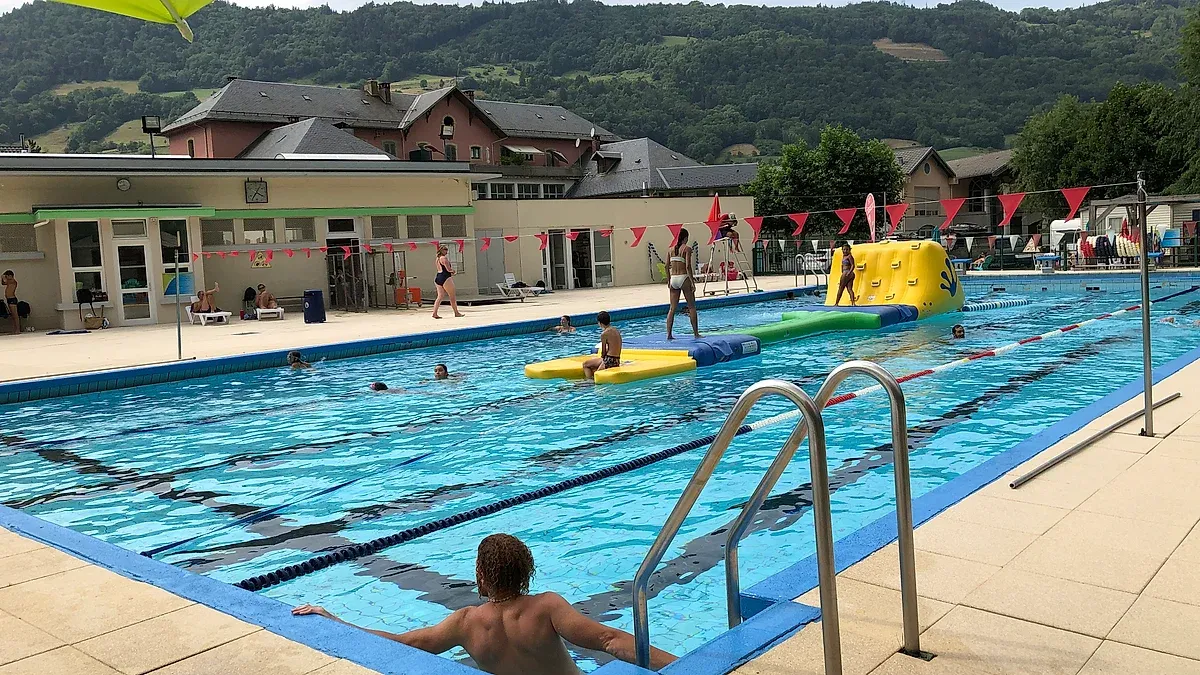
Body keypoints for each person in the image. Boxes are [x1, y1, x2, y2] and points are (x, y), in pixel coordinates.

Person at [292, 534, 676, 675]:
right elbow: (610, 640)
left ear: (480, 576)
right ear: (527, 571)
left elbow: (405, 643)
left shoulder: (464, 622)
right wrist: (683, 666)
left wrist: (336, 620)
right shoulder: (546, 607)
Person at [665, 229, 701, 341]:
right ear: (685, 238)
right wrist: (692, 281)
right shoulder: (687, 249)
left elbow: (666, 266)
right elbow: (688, 266)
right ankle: (696, 334)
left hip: (673, 279)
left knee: (672, 309)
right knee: (691, 307)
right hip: (684, 277)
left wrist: (668, 279)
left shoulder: (670, 250)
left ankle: (669, 335)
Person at [582, 311, 621, 380]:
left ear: (600, 323)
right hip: (616, 359)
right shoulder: (616, 330)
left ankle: (589, 381)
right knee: (588, 364)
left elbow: (603, 352)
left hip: (609, 361)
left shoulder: (604, 334)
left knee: (588, 367)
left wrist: (602, 360)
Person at [432, 245, 464, 320]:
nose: (447, 251)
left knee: (440, 296)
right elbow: (448, 269)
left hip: (438, 277)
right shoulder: (444, 258)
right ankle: (456, 312)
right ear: (442, 251)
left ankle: (434, 313)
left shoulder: (437, 259)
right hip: (445, 277)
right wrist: (453, 271)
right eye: (445, 250)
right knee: (452, 296)